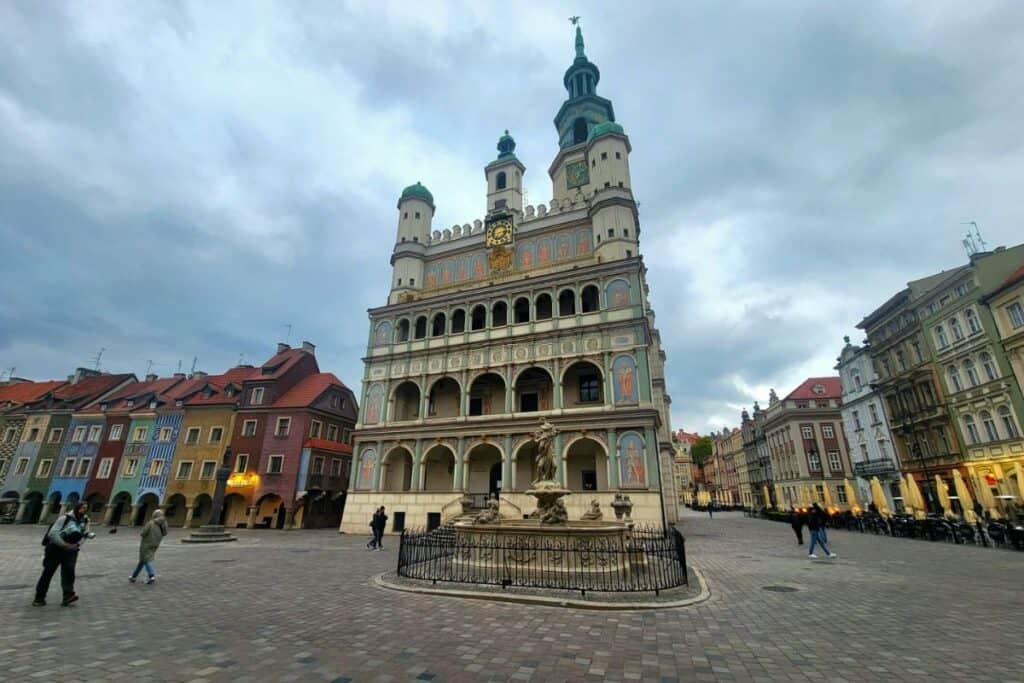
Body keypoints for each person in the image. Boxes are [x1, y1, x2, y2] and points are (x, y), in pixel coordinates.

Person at [33, 502, 94, 607]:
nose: (84, 510)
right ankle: (39, 597)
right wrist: (64, 544)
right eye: (82, 507)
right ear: (77, 507)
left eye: (86, 508)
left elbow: (85, 534)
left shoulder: (85, 520)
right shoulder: (64, 518)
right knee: (48, 573)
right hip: (55, 549)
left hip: (72, 550)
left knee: (69, 571)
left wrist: (77, 545)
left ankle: (68, 595)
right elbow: (52, 534)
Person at [129, 509, 168, 584]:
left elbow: (143, 533)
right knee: (142, 560)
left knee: (146, 559)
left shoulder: (151, 523)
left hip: (146, 543)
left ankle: (151, 575)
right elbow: (165, 533)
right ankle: (134, 577)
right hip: (156, 543)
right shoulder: (164, 523)